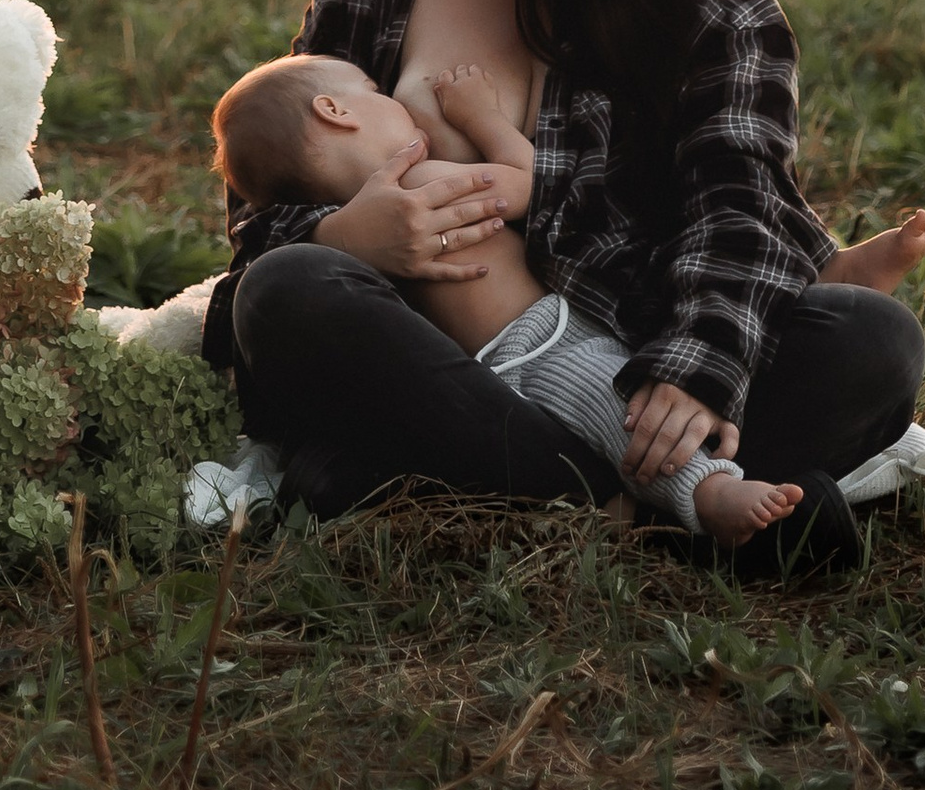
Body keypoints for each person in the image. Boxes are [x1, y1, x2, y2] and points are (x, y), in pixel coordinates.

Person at [207, 0, 925, 572]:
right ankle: (650, 506)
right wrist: (351, 237)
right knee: (289, 293)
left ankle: (448, 487)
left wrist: (696, 368)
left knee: (874, 342)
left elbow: (738, 212)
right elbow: (256, 225)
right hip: (421, 363)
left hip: (627, 358)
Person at [212, 48, 805, 546]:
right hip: (539, 343)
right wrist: (484, 118)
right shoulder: (414, 184)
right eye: (374, 89)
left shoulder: (341, 223)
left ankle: (607, 508)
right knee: (620, 406)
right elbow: (530, 182)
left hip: (482, 387)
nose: (393, 98)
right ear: (336, 111)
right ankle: (709, 492)